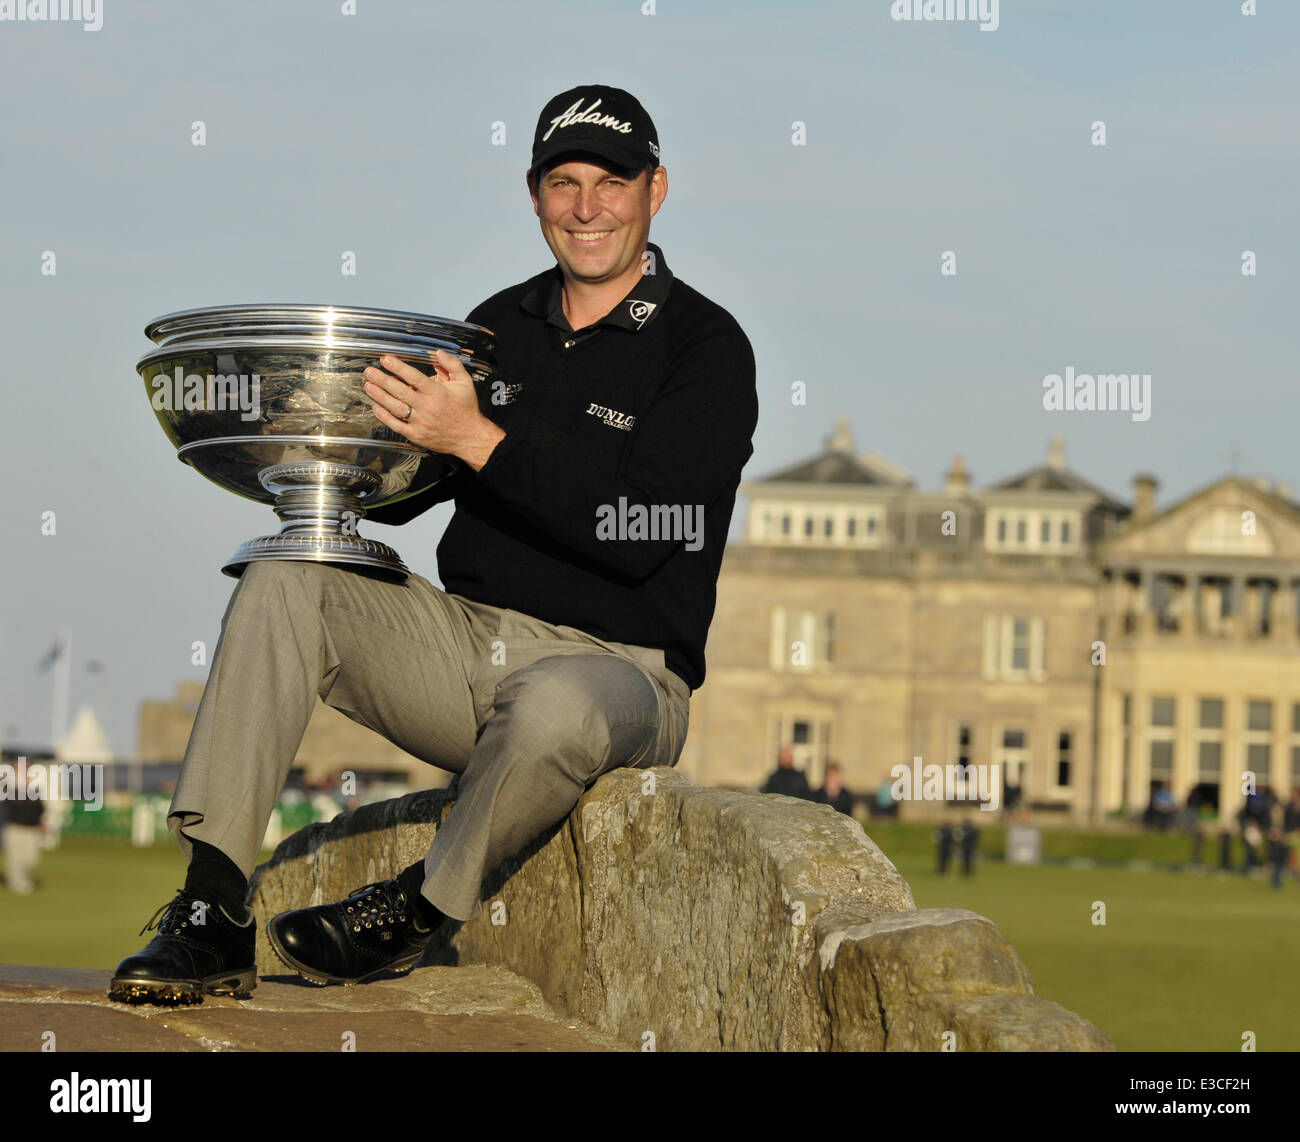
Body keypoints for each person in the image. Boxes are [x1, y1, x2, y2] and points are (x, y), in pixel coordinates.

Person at [108, 84, 758, 1005]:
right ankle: (213, 911)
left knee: (557, 705)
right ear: (533, 196)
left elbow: (645, 533)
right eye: (562, 182)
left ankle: (415, 908)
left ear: (657, 190)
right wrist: (309, 434)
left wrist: (481, 440)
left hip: (621, 673)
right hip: (464, 644)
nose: (585, 208)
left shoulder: (706, 346)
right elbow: (411, 494)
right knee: (283, 580)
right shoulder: (498, 326)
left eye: (610, 182)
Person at [2, 787, 44, 894]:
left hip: (31, 830)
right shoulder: (10, 793)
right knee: (15, 857)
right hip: (15, 828)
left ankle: (23, 879)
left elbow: (40, 810)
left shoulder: (35, 794)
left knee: (31, 858)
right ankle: (16, 882)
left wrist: (41, 824)